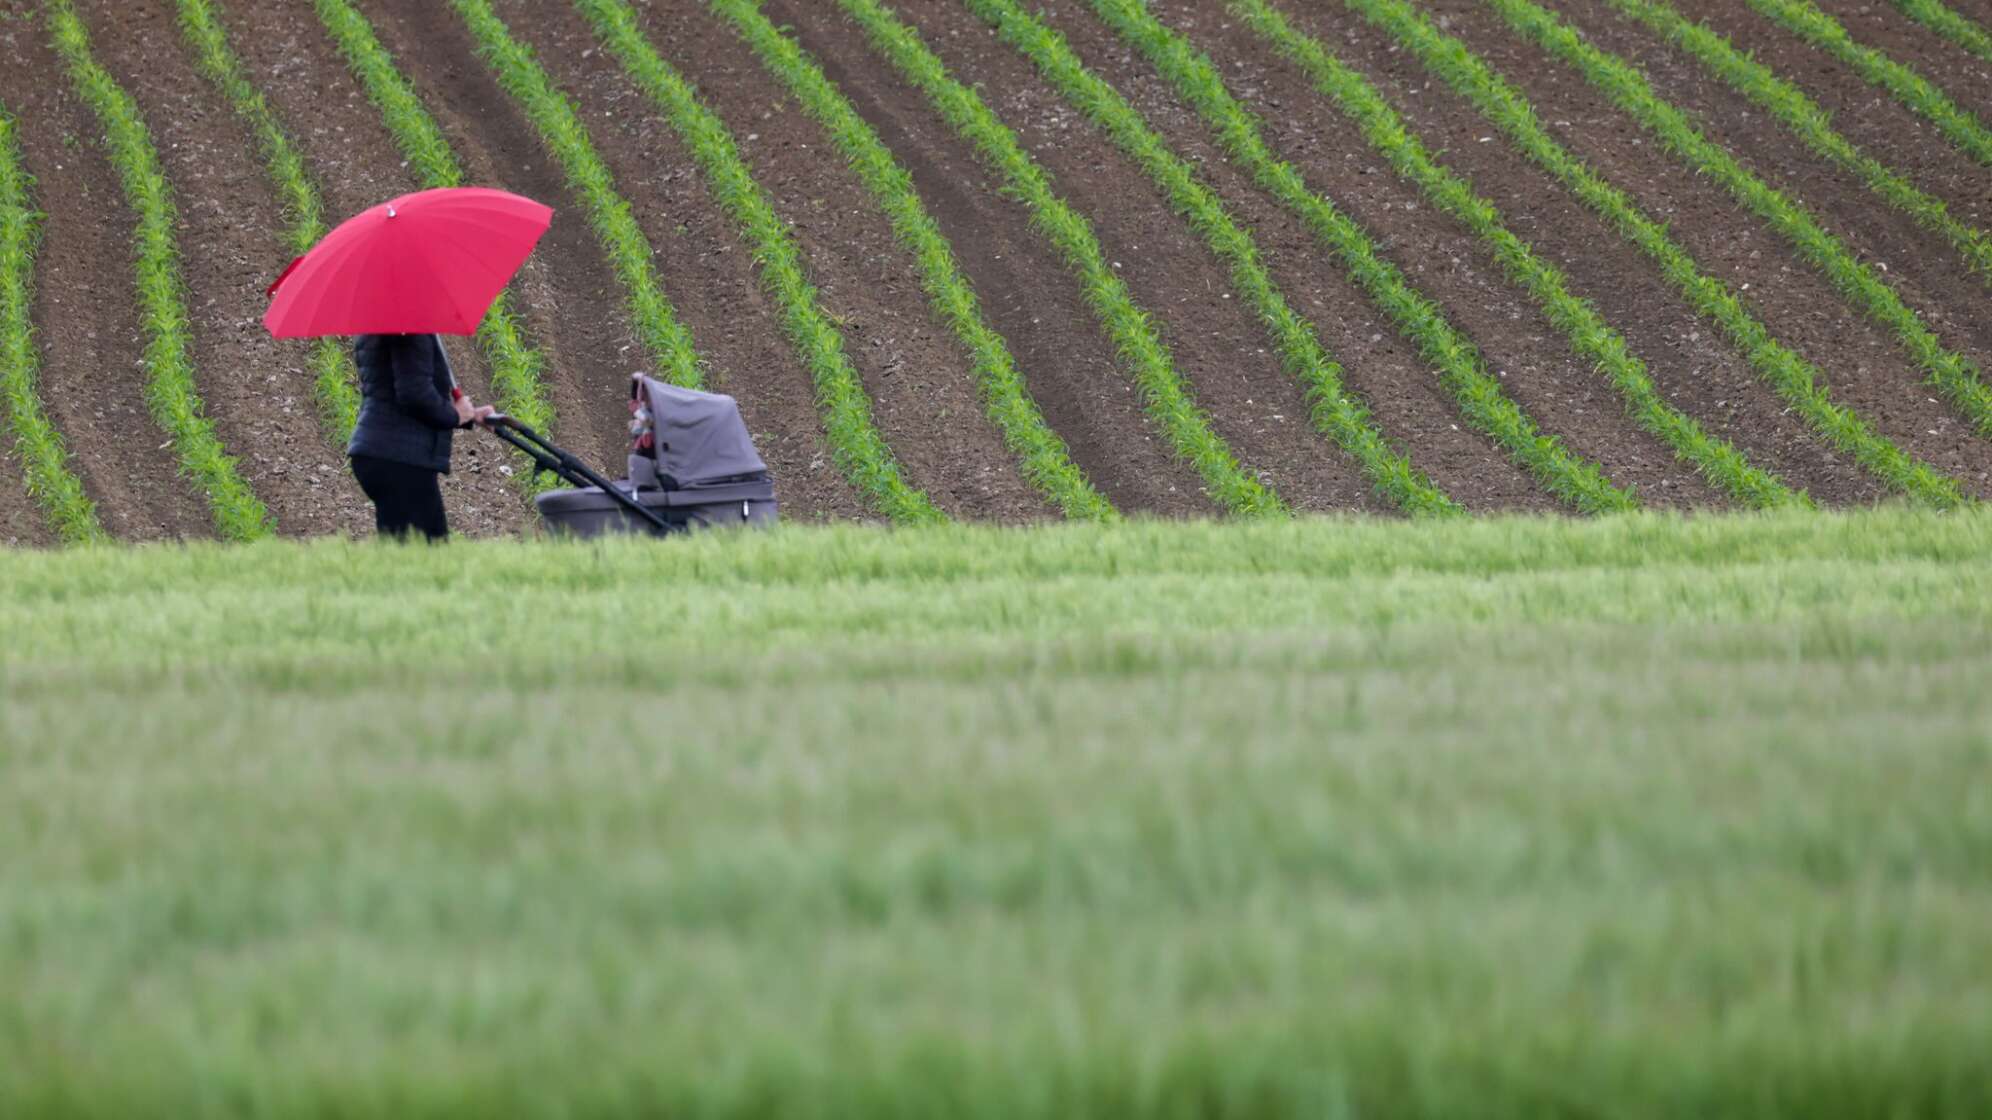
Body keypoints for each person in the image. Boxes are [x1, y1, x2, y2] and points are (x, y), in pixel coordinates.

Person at [346, 332, 492, 541]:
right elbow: (414, 393)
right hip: (400, 458)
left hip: (380, 451)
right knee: (427, 549)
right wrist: (455, 415)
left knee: (403, 548)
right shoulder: (410, 329)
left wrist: (470, 415)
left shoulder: (385, 326)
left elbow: (391, 393)